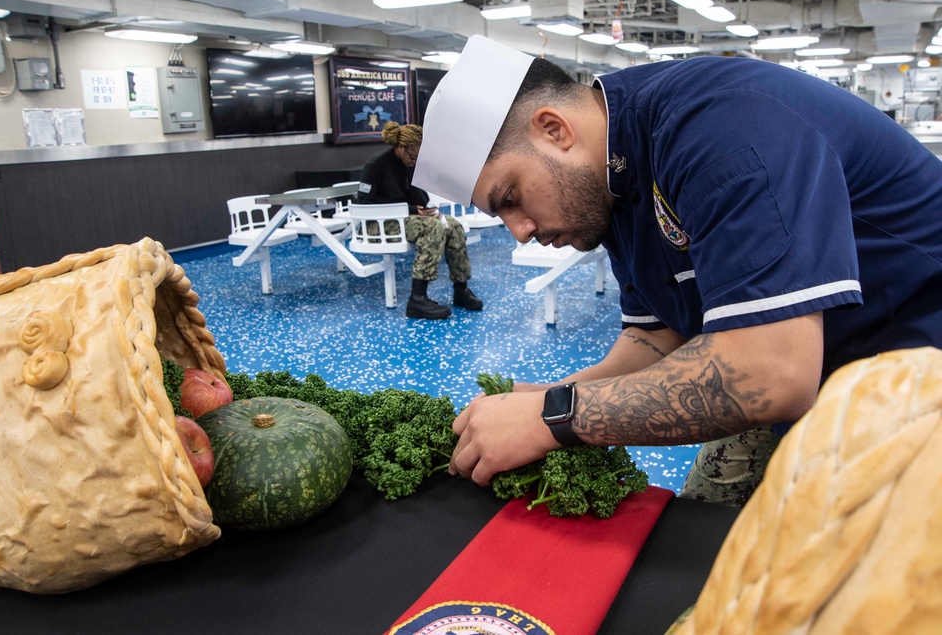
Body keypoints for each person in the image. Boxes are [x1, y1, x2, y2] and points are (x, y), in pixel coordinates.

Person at [412, 35, 942, 505]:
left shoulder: (721, 126)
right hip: (814, 358)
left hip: (914, 356)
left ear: (553, 129)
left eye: (510, 198)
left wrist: (554, 419)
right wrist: (550, 396)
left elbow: (773, 373)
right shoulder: (608, 180)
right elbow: (655, 340)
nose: (519, 230)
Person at [358, 121, 483, 319]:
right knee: (433, 228)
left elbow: (419, 200)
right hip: (378, 224)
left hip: (406, 221)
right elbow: (364, 206)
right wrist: (410, 210)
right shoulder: (376, 165)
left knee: (453, 225)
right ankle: (417, 298)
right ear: (400, 148)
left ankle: (461, 289)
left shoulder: (411, 166)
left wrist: (428, 210)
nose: (415, 161)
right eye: (412, 156)